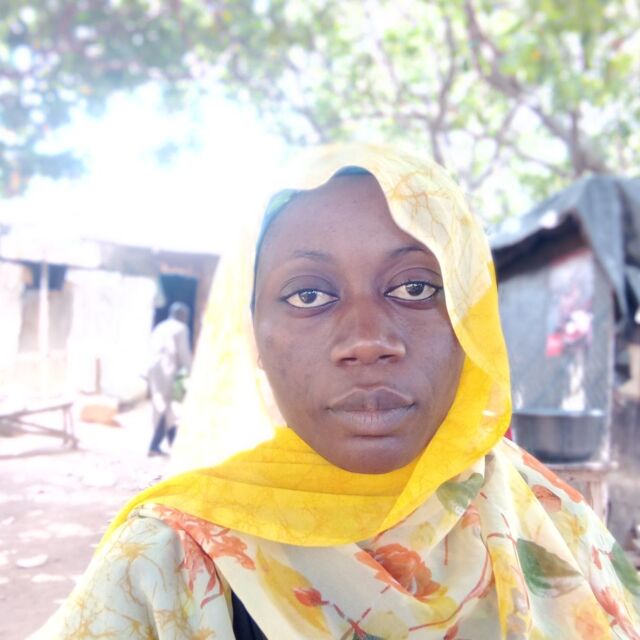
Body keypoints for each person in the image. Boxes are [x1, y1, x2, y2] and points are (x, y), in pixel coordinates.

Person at [35, 145, 640, 639]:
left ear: (472, 321)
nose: (368, 340)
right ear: (255, 339)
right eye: (308, 295)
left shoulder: (553, 518)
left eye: (414, 288)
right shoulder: (164, 563)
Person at [147, 301, 192, 456]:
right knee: (167, 408)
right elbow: (184, 354)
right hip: (167, 369)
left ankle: (169, 444)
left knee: (161, 406)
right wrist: (191, 372)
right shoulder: (181, 328)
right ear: (182, 316)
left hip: (153, 369)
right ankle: (155, 445)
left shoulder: (161, 327)